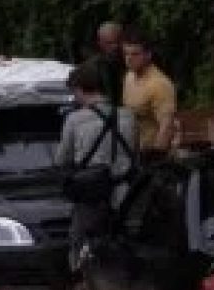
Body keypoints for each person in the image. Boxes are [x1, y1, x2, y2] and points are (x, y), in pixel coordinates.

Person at [55, 63, 136, 268]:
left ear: (80, 89)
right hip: (126, 195)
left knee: (81, 247)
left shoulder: (75, 120)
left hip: (92, 197)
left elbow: (62, 159)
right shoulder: (128, 116)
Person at [120, 30, 178, 157]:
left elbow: (167, 127)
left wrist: (155, 159)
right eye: (126, 54)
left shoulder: (159, 84)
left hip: (152, 155)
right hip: (133, 152)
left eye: (135, 54)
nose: (129, 59)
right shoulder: (128, 76)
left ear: (148, 55)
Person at [85, 20, 126, 105]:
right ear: (100, 43)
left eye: (118, 41)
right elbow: (74, 82)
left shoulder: (132, 59)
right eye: (110, 43)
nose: (115, 46)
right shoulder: (93, 65)